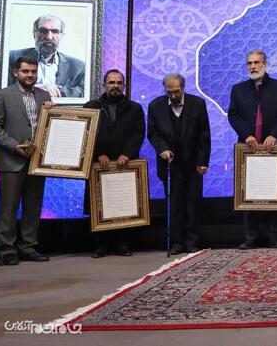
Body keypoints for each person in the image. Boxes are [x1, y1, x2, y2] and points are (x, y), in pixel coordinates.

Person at [0, 56, 53, 265]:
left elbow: (51, 125)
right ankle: (6, 249)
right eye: (26, 71)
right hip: (11, 159)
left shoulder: (44, 95)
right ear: (16, 72)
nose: (30, 75)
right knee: (9, 207)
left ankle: (28, 247)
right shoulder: (3, 95)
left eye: (33, 71)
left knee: (33, 206)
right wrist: (14, 146)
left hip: (37, 161)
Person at [228, 50, 277, 249]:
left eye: (256, 62)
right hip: (248, 149)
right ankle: (250, 236)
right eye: (249, 63)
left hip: (273, 149)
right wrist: (247, 134)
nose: (253, 67)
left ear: (265, 64)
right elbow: (233, 115)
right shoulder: (238, 89)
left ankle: (274, 236)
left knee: (274, 191)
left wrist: (274, 134)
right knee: (249, 193)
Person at [84, 70, 145, 257]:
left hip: (124, 164)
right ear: (104, 86)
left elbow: (138, 134)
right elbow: (87, 134)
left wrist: (127, 154)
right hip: (99, 164)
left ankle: (123, 244)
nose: (115, 86)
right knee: (99, 205)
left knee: (123, 204)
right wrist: (98, 154)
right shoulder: (91, 106)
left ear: (124, 86)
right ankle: (101, 246)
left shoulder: (134, 108)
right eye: (111, 82)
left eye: (119, 83)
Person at [148, 73, 211, 254]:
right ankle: (176, 242)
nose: (173, 96)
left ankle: (192, 241)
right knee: (174, 204)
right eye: (169, 92)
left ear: (183, 88)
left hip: (193, 163)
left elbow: (204, 134)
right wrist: (162, 149)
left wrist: (203, 161)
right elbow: (152, 133)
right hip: (170, 164)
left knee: (192, 203)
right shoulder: (155, 106)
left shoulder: (197, 104)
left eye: (176, 92)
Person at [8, 14, 85, 98]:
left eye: (55, 31)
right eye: (43, 31)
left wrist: (54, 91)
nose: (49, 37)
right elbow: (2, 88)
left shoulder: (78, 67)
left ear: (62, 36)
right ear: (34, 34)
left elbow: (85, 92)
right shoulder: (11, 58)